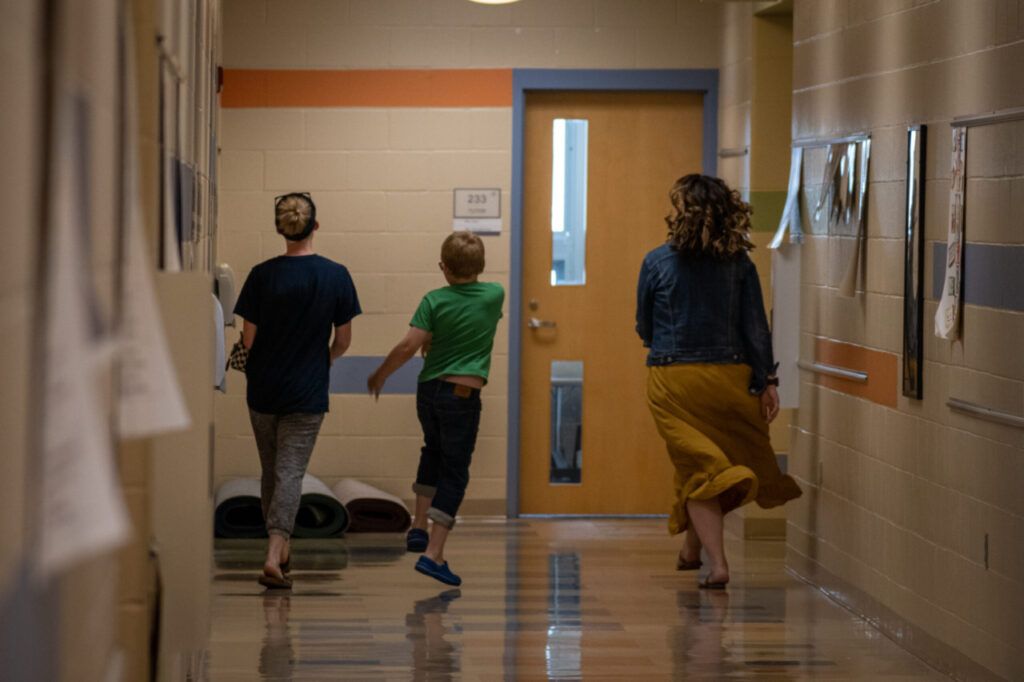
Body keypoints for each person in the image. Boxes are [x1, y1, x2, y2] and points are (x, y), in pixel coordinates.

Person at [636, 174, 802, 590]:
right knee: (705, 466)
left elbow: (644, 327)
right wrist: (767, 380)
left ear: (682, 213)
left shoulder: (656, 262)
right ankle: (692, 551)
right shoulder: (739, 265)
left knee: (700, 465)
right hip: (730, 380)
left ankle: (719, 563)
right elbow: (756, 327)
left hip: (675, 380)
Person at [234, 192, 361, 589]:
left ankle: (280, 549)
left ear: (280, 228)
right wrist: (324, 359)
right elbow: (343, 339)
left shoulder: (261, 275)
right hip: (306, 391)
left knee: (272, 470)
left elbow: (248, 339)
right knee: (290, 471)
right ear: (315, 226)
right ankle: (274, 552)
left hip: (263, 389)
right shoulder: (336, 275)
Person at [368, 231, 504, 587]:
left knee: (433, 450)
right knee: (455, 471)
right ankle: (434, 554)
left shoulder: (433, 300)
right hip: (462, 394)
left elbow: (409, 344)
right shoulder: (494, 295)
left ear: (443, 267)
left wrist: (381, 374)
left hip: (428, 391)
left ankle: (418, 527)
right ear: (482, 266)